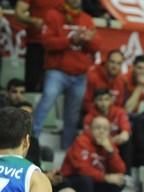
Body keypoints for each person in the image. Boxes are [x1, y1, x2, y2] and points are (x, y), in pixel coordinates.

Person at [32, 0, 99, 149]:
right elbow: (47, 42)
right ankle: (30, 140)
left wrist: (89, 40)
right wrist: (69, 40)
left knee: (72, 115)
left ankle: (66, 151)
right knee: (46, 101)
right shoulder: (53, 14)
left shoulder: (86, 19)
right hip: (57, 71)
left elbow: (96, 46)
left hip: (79, 75)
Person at [60, 115, 126, 192]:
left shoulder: (109, 143)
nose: (101, 131)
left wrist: (110, 151)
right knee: (86, 180)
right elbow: (82, 168)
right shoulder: (81, 141)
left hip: (95, 181)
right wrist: (105, 177)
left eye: (105, 129)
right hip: (73, 180)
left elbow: (121, 169)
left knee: (119, 181)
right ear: (90, 129)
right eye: (98, 128)